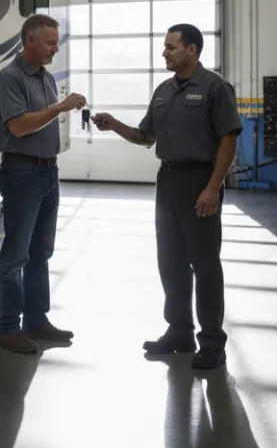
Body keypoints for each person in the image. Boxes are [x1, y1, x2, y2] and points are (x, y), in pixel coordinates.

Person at [93, 23, 241, 369]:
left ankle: (212, 344)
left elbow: (228, 140)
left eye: (171, 47)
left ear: (192, 49)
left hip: (199, 183)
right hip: (168, 183)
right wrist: (114, 124)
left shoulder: (215, 87)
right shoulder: (162, 92)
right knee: (171, 263)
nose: (164, 52)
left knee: (204, 266)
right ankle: (179, 332)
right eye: (165, 47)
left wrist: (212, 188)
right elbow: (146, 137)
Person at [0, 14, 86, 354]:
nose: (54, 49)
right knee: (16, 254)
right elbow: (18, 126)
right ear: (29, 41)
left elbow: (43, 121)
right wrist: (60, 106)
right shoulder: (10, 78)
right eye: (49, 43)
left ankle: (36, 320)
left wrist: (59, 105)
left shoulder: (45, 78)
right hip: (21, 175)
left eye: (55, 43)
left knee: (40, 253)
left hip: (47, 173)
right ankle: (8, 328)